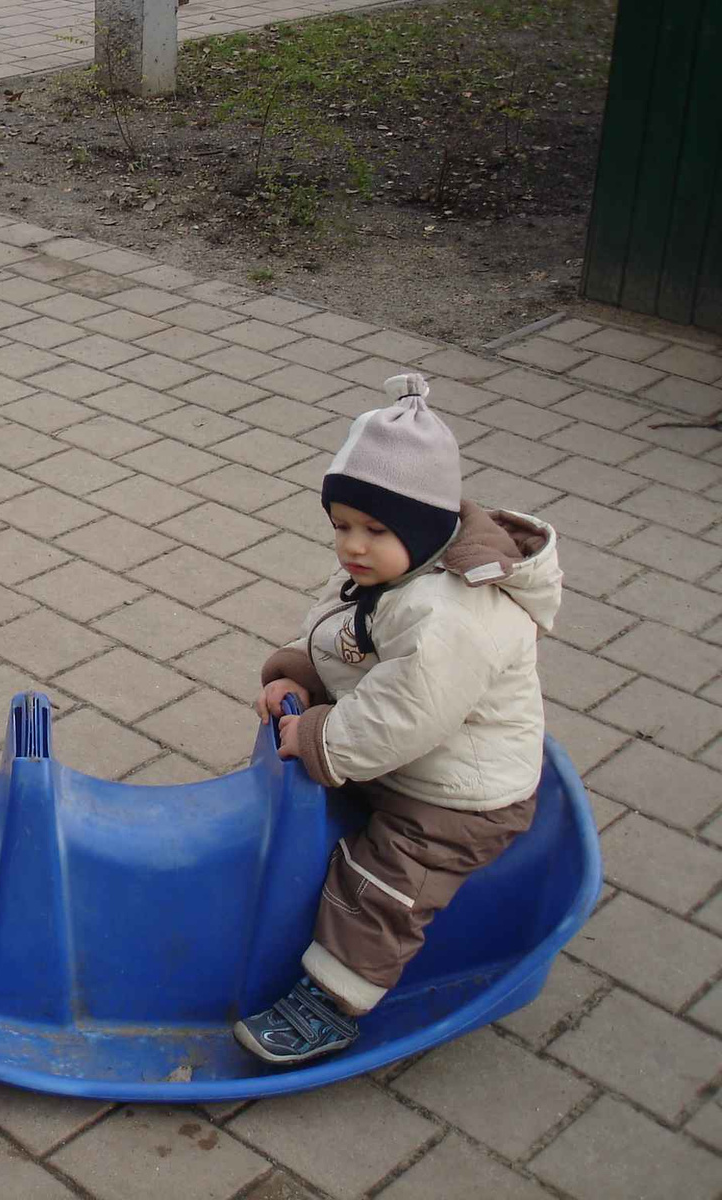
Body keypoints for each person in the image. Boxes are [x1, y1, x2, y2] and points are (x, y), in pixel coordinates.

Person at [234, 373, 562, 1065]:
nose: (352, 545)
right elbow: (343, 635)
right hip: (407, 747)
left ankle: (334, 1002)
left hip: (458, 797)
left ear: (424, 530)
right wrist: (299, 672)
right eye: (341, 526)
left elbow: (404, 712)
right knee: (312, 787)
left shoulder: (450, 612)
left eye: (374, 530)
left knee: (382, 881)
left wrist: (320, 733)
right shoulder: (383, 571)